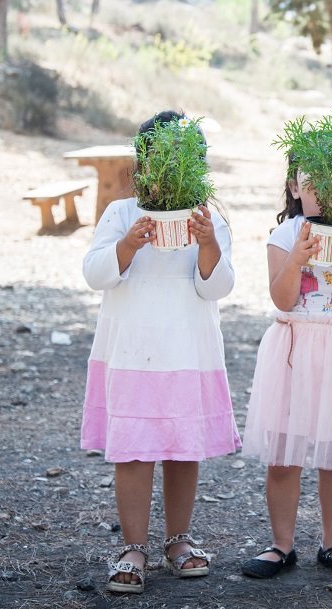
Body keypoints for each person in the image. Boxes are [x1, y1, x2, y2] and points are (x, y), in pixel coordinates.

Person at [81, 110, 240, 595]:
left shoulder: (207, 217)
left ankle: (178, 539)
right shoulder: (122, 213)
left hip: (188, 350)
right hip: (132, 351)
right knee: (132, 450)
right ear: (143, 164)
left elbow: (217, 287)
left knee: (181, 446)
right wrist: (127, 247)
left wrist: (209, 243)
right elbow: (94, 273)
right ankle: (133, 546)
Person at [238, 170, 332, 578]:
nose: (325, 191)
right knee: (284, 455)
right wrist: (299, 256)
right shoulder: (285, 234)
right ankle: (281, 545)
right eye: (312, 181)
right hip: (291, 348)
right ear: (294, 189)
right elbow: (282, 296)